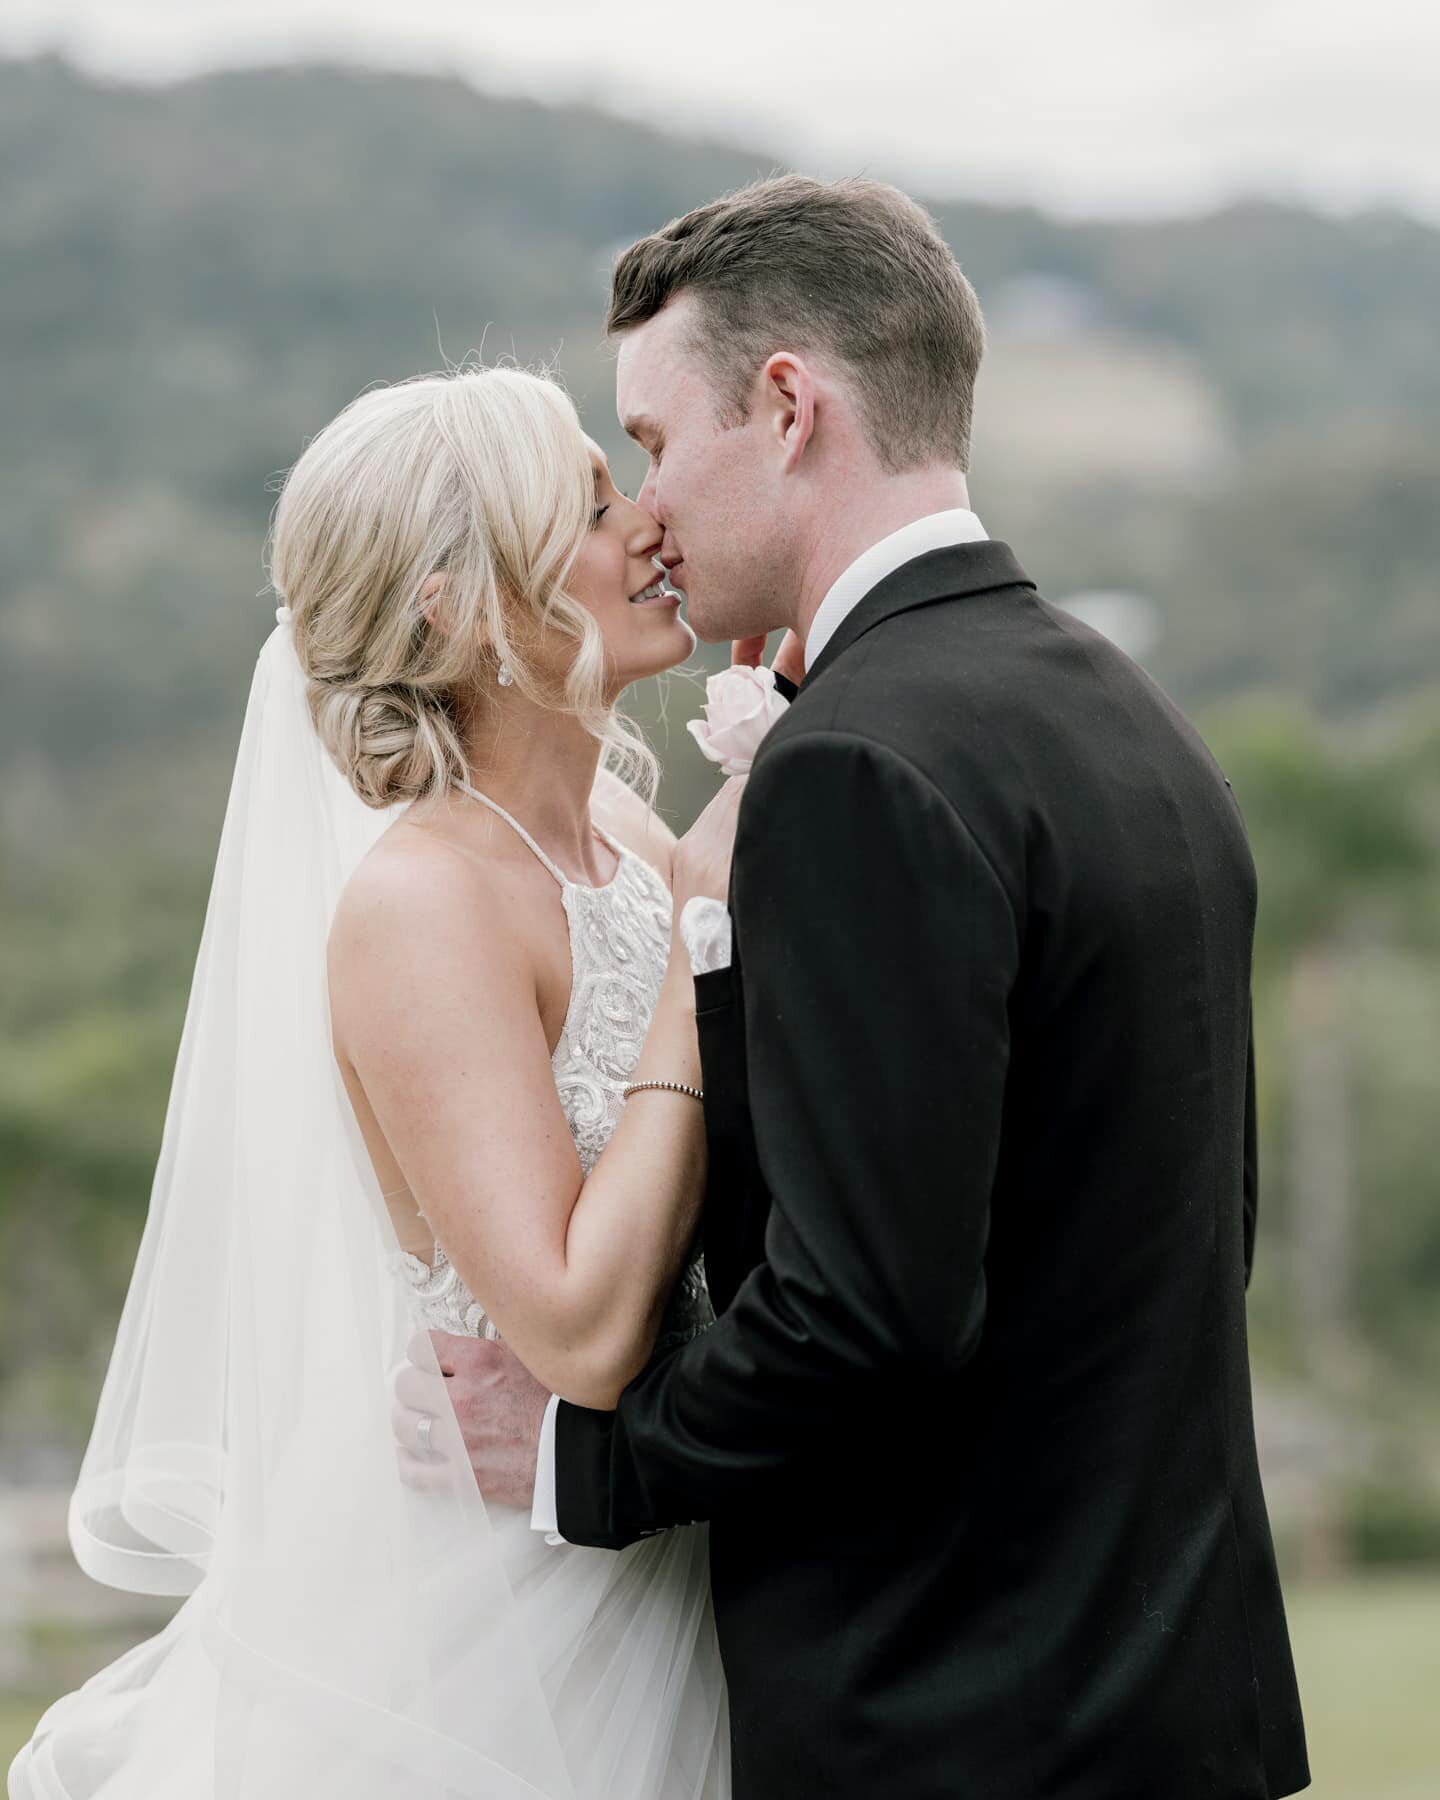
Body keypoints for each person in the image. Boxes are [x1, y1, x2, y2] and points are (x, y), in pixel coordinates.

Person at [433, 174, 1313, 1798]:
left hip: (954, 1722)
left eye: (650, 442)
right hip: (1184, 1712)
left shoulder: (854, 767)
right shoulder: (1131, 717)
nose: (646, 506)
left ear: (784, 408)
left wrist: (592, 1466)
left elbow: (869, 1312)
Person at [9, 366, 738, 1799]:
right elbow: (583, 1334)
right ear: (462, 609)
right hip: (510, 1639)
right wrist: (697, 960)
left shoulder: (635, 838)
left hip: (672, 1556)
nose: (649, 523)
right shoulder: (424, 906)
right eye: (592, 508)